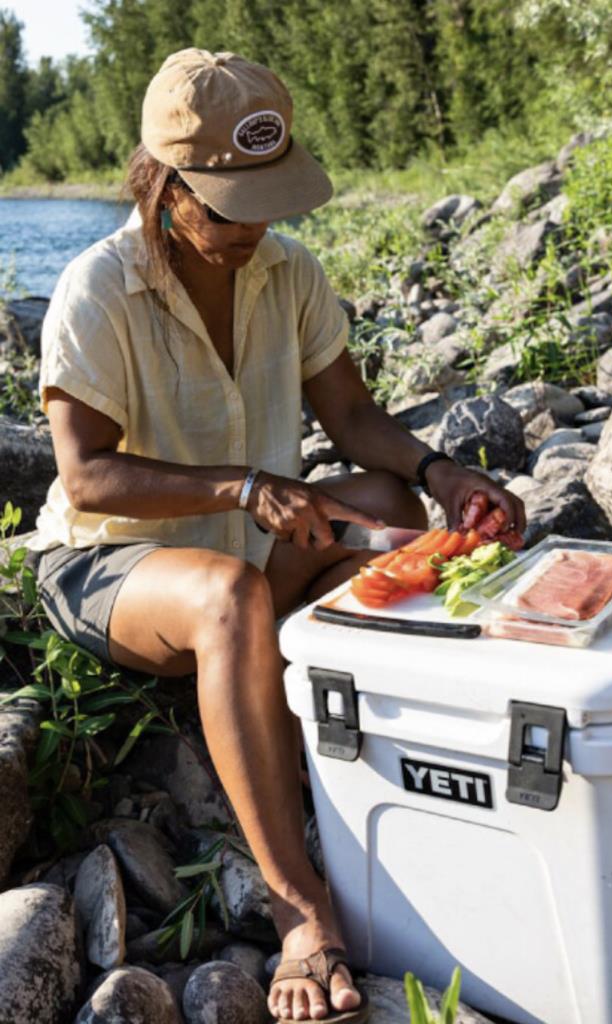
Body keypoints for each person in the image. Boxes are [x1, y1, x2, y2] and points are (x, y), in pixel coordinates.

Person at [29, 49, 526, 1024]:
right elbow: (87, 473)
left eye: (267, 201)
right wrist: (247, 484)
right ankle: (303, 905)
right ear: (164, 189)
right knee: (225, 594)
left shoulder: (286, 272)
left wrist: (440, 471)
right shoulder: (95, 290)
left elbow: (351, 417)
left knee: (388, 493)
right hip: (110, 563)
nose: (253, 227)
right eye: (227, 206)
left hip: (244, 535)